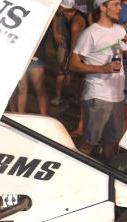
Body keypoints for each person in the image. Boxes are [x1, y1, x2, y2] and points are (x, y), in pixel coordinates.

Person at [69, 0, 127, 161]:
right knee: (89, 144)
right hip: (97, 96)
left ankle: (109, 180)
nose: (120, 8)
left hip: (117, 97)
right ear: (102, 7)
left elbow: (123, 52)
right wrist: (102, 68)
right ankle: (77, 178)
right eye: (115, 4)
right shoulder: (91, 33)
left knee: (112, 143)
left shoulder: (119, 30)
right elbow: (73, 63)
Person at [57, 0, 89, 136]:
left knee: (82, 94)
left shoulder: (76, 23)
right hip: (82, 57)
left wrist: (69, 69)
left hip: (82, 60)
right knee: (79, 93)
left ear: (64, 8)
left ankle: (82, 127)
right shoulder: (68, 16)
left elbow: (74, 50)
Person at [9, 35, 49, 115]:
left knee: (40, 90)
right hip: (20, 55)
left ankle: (44, 117)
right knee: (22, 89)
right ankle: (20, 118)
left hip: (35, 54)